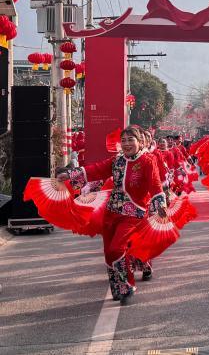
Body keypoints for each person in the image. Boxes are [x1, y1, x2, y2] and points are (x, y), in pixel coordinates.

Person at [61, 125, 167, 304]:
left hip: (133, 213)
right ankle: (117, 288)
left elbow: (155, 185)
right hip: (111, 213)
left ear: (140, 142)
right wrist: (69, 175)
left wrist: (160, 204)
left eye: (130, 140)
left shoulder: (147, 161)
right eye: (123, 140)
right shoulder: (117, 161)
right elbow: (95, 170)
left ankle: (127, 286)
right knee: (108, 253)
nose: (126, 144)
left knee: (116, 248)